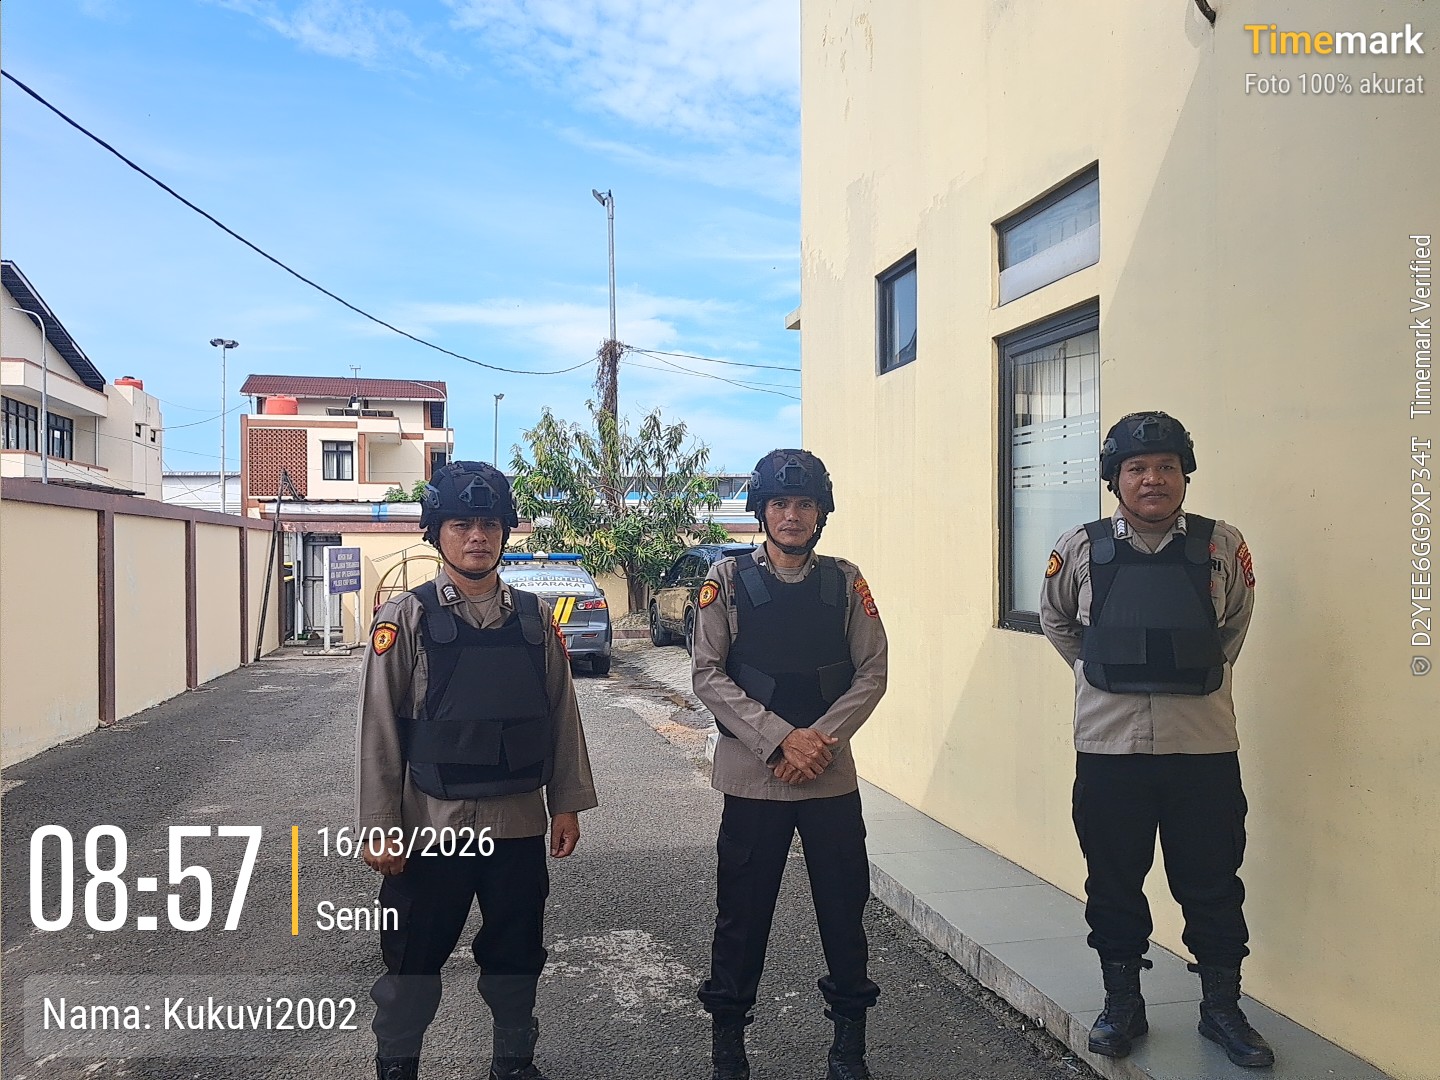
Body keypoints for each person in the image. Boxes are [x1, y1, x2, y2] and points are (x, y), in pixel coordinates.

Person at [1039, 412, 1274, 1069]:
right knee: (1113, 882)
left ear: (1184, 475)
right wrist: (1102, 671)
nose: (1152, 479)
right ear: (1114, 479)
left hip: (1203, 750)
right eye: (1137, 468)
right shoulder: (1080, 547)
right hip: (1109, 752)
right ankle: (1123, 1006)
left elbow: (1233, 624)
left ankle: (1222, 1010)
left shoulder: (1221, 544)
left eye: (1166, 466)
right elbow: (1058, 619)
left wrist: (1190, 670)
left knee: (1214, 883)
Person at [356, 460, 598, 1080]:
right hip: (429, 827)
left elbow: (560, 713)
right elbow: (380, 727)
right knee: (412, 961)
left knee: (517, 959)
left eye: (489, 524)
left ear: (505, 531)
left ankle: (513, 1064)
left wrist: (566, 803)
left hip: (517, 825)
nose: (476, 537)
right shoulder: (405, 618)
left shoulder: (534, 619)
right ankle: (398, 1066)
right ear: (436, 532)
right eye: (461, 524)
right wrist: (379, 825)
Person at [691, 449, 888, 1080]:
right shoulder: (725, 580)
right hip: (755, 778)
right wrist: (780, 741)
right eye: (779, 503)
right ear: (760, 510)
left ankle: (849, 1047)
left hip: (828, 778)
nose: (792, 515)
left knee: (844, 911)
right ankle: (729, 1046)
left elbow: (872, 671)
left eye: (805, 504)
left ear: (821, 512)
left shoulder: (845, 581)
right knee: (741, 917)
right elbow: (708, 674)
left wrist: (818, 741)